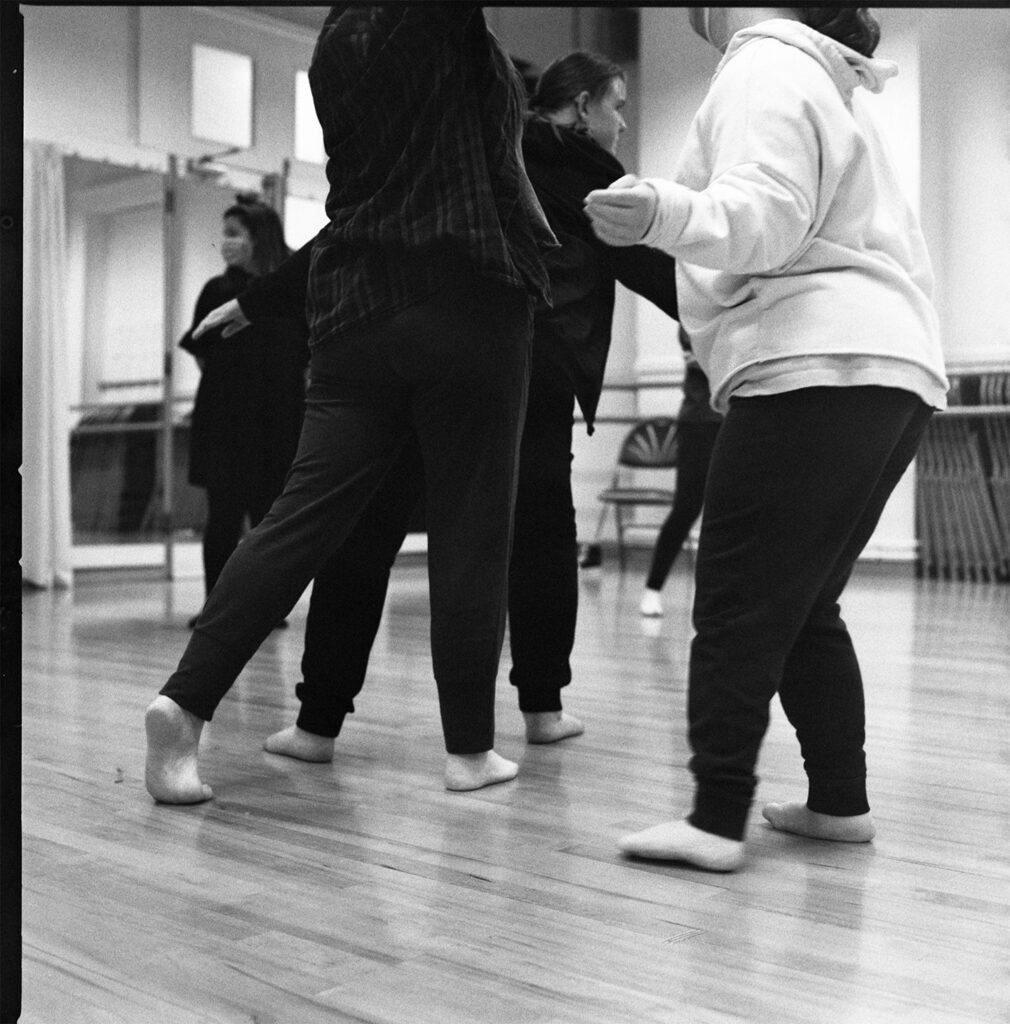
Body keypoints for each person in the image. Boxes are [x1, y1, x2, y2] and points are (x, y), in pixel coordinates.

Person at [206, 50, 681, 764]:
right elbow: (657, 271)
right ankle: (541, 710)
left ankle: (316, 724)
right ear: (579, 106)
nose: (618, 125)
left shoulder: (445, 154)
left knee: (367, 533)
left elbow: (344, 238)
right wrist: (727, 326)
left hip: (425, 350)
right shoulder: (586, 174)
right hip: (530, 366)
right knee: (535, 535)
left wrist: (255, 298)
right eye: (615, 107)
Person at [144, 5, 557, 802]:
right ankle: (470, 750)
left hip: (351, 313)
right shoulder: (439, 24)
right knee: (472, 531)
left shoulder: (338, 36)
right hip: (467, 300)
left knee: (297, 521)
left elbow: (367, 203)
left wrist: (262, 299)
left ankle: (184, 703)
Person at [585, 6, 948, 871]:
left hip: (814, 361)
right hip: (889, 367)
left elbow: (770, 214)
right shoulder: (825, 76)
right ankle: (838, 802)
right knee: (800, 603)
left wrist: (659, 211)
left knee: (740, 598)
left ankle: (715, 819)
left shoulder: (764, 62)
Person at [179, 196, 308, 626]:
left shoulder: (290, 292)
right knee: (223, 518)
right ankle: (217, 607)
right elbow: (201, 350)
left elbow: (307, 354)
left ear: (259, 238)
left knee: (270, 519)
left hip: (277, 422)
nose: (225, 243)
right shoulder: (217, 290)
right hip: (225, 423)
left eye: (234, 234)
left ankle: (265, 608)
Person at [639, 331, 722, 618]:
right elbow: (703, 358)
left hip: (734, 418)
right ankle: (653, 588)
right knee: (687, 506)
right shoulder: (695, 309)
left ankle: (720, 597)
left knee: (729, 509)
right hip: (700, 421)